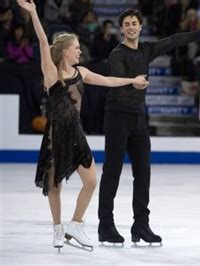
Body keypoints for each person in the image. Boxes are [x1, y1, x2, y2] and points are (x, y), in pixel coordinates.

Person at [16, 0, 149, 251]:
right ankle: (58, 230)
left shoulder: (82, 72)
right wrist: (33, 13)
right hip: (56, 134)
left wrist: (132, 80)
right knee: (54, 185)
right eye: (76, 48)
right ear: (65, 51)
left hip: (77, 132)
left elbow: (108, 80)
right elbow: (44, 43)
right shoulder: (51, 73)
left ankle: (75, 225)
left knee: (90, 181)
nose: (80, 51)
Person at [98, 8, 200, 245]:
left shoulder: (147, 49)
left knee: (143, 173)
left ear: (140, 26)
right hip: (116, 117)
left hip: (138, 118)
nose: (131, 26)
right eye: (127, 23)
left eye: (134, 22)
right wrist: (133, 83)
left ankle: (141, 225)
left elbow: (175, 40)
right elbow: (116, 81)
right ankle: (105, 226)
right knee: (112, 173)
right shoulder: (117, 54)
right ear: (122, 28)